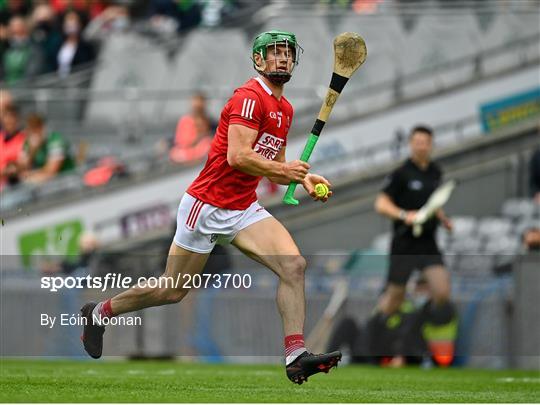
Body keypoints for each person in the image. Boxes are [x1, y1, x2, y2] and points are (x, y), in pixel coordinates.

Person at [80, 30, 342, 384]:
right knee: (171, 291)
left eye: (287, 53)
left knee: (294, 265)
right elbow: (238, 157)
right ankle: (99, 312)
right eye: (274, 53)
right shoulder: (249, 98)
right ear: (259, 61)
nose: (282, 58)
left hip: (243, 208)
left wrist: (303, 179)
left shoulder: (285, 109)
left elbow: (273, 164)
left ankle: (295, 356)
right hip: (206, 206)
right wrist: (284, 170)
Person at [368, 125, 457, 367]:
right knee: (394, 298)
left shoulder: (436, 172)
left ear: (431, 144)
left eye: (425, 142)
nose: (421, 146)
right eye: (417, 142)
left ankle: (415, 330)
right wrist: (404, 215)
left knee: (442, 292)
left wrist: (442, 218)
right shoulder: (401, 174)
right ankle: (373, 339)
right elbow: (381, 204)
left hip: (428, 243)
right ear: (411, 144)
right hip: (404, 242)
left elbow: (433, 204)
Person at [19, 113, 76, 183]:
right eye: (30, 128)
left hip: (65, 180)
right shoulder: (27, 143)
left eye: (36, 127)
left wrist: (30, 175)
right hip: (43, 182)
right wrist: (33, 150)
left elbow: (51, 171)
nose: (33, 131)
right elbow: (21, 168)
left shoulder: (56, 140)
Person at [2, 15, 43, 84]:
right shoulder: (9, 49)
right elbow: (3, 71)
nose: (13, 29)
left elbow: (32, 72)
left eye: (16, 26)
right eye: (11, 26)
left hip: (25, 90)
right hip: (8, 89)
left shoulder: (33, 48)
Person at [56, 11, 95, 78]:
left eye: (74, 21)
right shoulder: (58, 44)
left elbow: (85, 66)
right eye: (68, 20)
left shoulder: (86, 46)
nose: (70, 24)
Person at [0, 104, 25, 187]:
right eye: (6, 117)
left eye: (12, 117)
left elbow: (20, 166)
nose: (9, 121)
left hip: (12, 186)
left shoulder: (24, 139)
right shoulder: (1, 138)